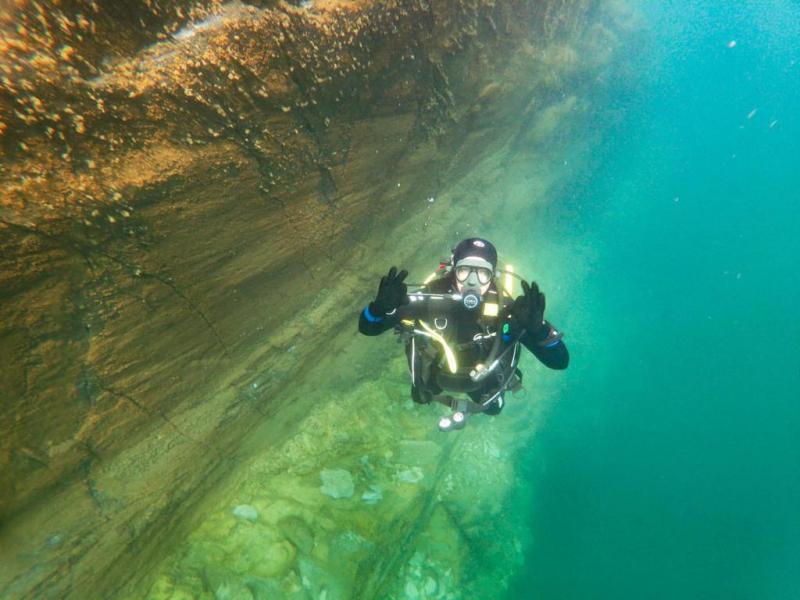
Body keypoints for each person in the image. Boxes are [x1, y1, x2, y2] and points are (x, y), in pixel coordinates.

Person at [358, 238, 568, 427]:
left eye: (483, 274)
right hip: (436, 372)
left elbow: (560, 362)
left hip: (484, 377)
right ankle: (425, 391)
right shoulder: (431, 297)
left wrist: (538, 330)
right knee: (421, 396)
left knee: (493, 408)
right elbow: (368, 328)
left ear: (493, 276)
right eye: (464, 271)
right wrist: (378, 309)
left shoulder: (509, 310)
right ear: (453, 270)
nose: (472, 282)